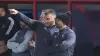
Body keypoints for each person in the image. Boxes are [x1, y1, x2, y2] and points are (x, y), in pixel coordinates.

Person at [9, 9, 76, 56]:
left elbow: (59, 46)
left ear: (54, 18)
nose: (45, 21)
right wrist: (18, 13)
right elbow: (29, 21)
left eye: (48, 19)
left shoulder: (60, 30)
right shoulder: (39, 25)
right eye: (43, 18)